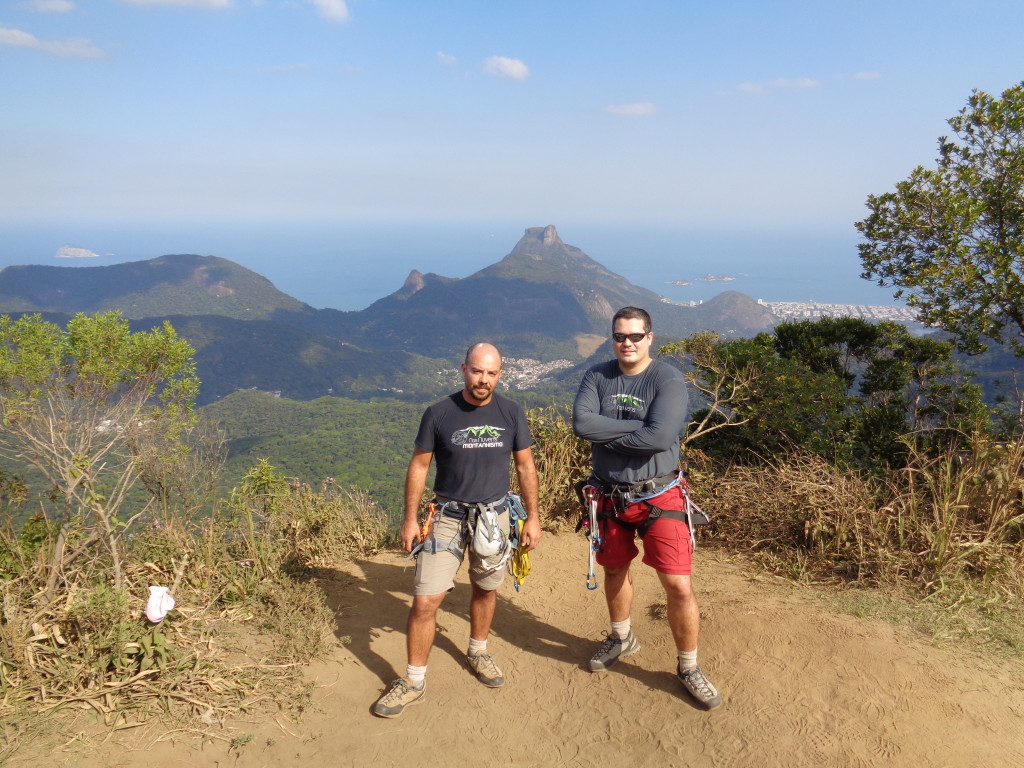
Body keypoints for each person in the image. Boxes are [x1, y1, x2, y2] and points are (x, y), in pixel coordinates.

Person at [373, 342, 541, 718]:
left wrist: (532, 517)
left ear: (500, 374)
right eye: (477, 371)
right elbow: (419, 466)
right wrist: (410, 518)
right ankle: (414, 681)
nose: (483, 380)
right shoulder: (439, 413)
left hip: (494, 517)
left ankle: (478, 651)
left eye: (491, 373)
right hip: (446, 515)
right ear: (464, 368)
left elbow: (526, 467)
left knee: (485, 588)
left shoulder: (511, 412)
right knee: (425, 601)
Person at [572, 306, 721, 710]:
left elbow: (660, 439)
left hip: (660, 494)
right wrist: (642, 430)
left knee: (677, 583)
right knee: (615, 568)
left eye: (636, 336)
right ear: (612, 337)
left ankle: (688, 667)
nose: (627, 343)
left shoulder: (667, 378)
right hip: (608, 493)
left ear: (649, 337)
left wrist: (614, 433)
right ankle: (622, 637)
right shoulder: (597, 375)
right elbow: (582, 425)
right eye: (620, 336)